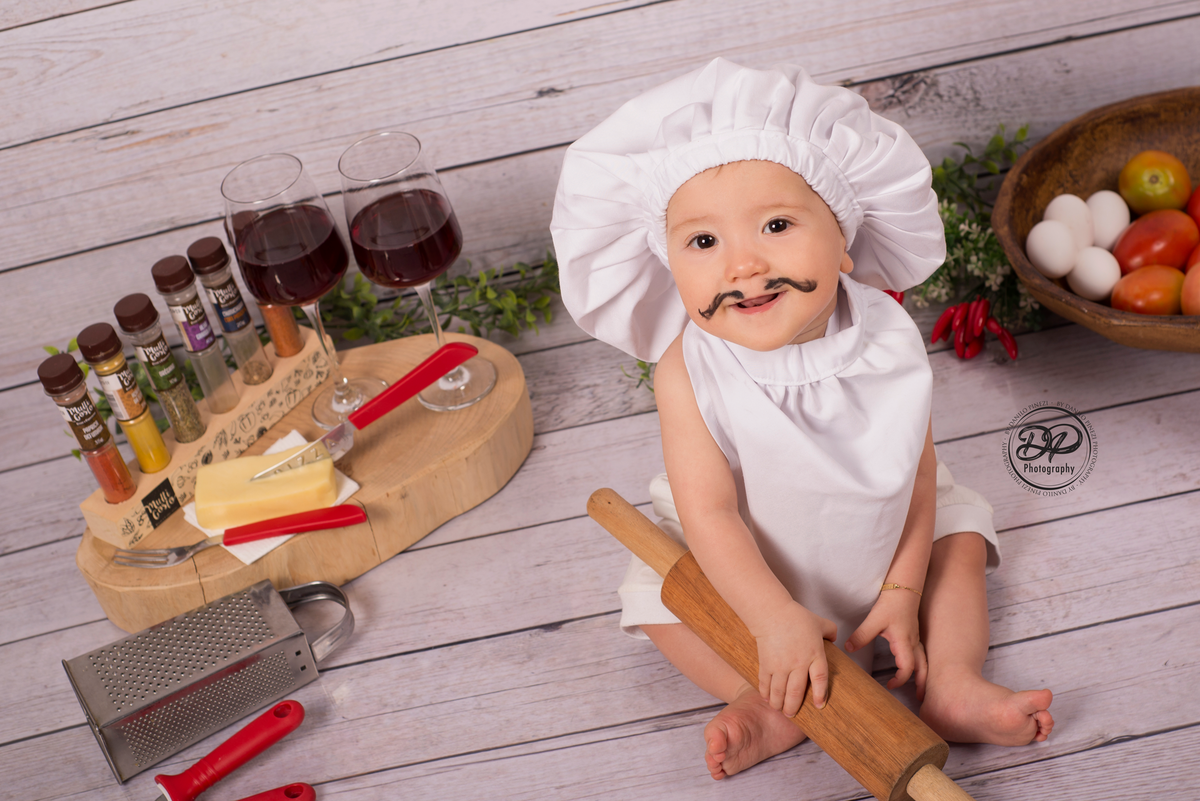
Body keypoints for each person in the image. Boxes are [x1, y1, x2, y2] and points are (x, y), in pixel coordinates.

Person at [550, 58, 1053, 781]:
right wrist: (773, 618)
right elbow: (713, 515)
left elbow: (917, 471)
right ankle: (772, 697)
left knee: (960, 528)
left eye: (777, 224)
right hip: (754, 568)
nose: (743, 265)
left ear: (845, 238)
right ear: (667, 264)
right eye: (702, 242)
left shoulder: (886, 331)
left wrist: (904, 587)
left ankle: (950, 679)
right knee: (658, 592)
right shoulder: (688, 369)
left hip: (885, 544)